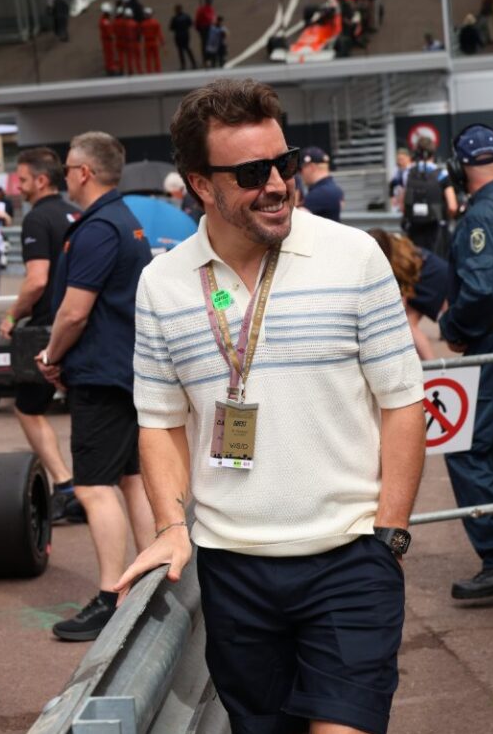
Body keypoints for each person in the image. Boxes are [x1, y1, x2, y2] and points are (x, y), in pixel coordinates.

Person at [117, 79, 426, 734]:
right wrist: (170, 525)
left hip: (350, 559)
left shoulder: (353, 257)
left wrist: (391, 534)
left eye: (284, 163)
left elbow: (403, 403)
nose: (279, 185)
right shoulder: (161, 284)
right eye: (253, 173)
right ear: (200, 185)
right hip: (233, 570)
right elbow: (160, 421)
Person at [37, 132, 155, 641]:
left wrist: (51, 355)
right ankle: (151, 584)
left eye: (67, 168)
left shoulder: (99, 226)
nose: (64, 175)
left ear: (84, 172)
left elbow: (74, 311)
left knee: (91, 486)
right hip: (122, 370)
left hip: (103, 375)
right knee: (130, 478)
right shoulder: (123, 220)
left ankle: (112, 596)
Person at [0, 147, 85, 525]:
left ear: (41, 180)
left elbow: (36, 281)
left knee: (27, 408)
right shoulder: (77, 212)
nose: (17, 188)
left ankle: (66, 487)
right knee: (83, 409)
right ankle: (90, 486)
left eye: (21, 180)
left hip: (51, 331)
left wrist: (11, 315)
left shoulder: (36, 218)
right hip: (85, 325)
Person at [439, 124, 493, 600]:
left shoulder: (481, 215)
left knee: (469, 447)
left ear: (460, 169)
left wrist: (453, 326)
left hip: (492, 342)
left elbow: (482, 291)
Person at [369, 229, 449, 360]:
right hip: (435, 270)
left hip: (430, 276)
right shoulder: (394, 242)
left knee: (410, 325)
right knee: (411, 323)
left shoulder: (393, 260)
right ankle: (432, 364)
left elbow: (403, 294)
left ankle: (432, 364)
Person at [400, 136, 458, 259]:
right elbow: (452, 206)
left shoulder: (408, 173)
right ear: (433, 151)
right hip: (436, 228)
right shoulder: (442, 174)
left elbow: (403, 205)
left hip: (414, 227)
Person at [299, 145, 345, 221]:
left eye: (301, 169)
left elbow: (297, 221)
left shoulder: (319, 194)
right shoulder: (335, 189)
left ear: (311, 167)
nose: (300, 174)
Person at [169, 4, 197, 70]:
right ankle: (193, 63)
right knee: (187, 49)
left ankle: (183, 65)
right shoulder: (186, 16)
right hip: (185, 34)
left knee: (181, 51)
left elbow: (171, 28)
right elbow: (190, 23)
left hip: (178, 35)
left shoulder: (175, 18)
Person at [140, 8, 165, 73]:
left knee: (148, 58)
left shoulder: (143, 24)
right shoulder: (156, 22)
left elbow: (141, 33)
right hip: (154, 41)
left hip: (147, 42)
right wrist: (162, 41)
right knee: (156, 57)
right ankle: (158, 70)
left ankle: (149, 71)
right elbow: (159, 33)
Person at [194, 0, 216, 66]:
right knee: (206, 45)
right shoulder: (202, 9)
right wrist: (198, 27)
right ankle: (206, 60)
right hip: (205, 28)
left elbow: (212, 19)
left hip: (209, 28)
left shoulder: (210, 9)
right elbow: (198, 19)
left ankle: (210, 59)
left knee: (209, 44)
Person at [99, 2, 118, 75]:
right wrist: (113, 35)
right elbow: (109, 32)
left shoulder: (105, 20)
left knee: (110, 54)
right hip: (107, 40)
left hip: (107, 39)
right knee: (109, 54)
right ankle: (110, 69)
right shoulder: (105, 21)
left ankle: (111, 67)